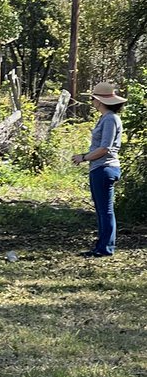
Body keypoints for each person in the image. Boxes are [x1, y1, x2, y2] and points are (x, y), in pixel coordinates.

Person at [73, 81, 126, 257]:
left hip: (105, 168)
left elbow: (105, 148)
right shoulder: (106, 118)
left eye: (94, 99)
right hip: (99, 168)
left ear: (99, 100)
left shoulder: (110, 118)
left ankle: (106, 248)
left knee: (106, 211)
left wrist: (83, 157)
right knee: (102, 210)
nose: (93, 102)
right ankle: (101, 246)